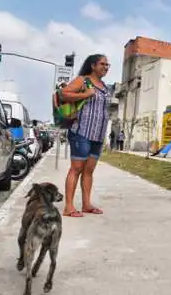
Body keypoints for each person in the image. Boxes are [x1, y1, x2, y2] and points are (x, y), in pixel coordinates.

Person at [60, 54, 111, 218]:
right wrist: (85, 94)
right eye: (102, 64)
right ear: (93, 65)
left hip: (98, 134)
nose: (106, 67)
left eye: (107, 65)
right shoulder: (83, 81)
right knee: (76, 169)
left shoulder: (104, 86)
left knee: (89, 171)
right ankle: (68, 207)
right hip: (81, 131)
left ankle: (86, 204)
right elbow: (64, 94)